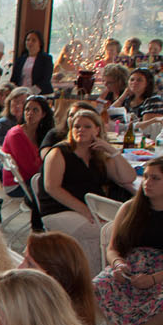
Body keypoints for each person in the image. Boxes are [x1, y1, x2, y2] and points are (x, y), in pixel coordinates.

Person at [38, 109, 137, 271]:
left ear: (97, 130)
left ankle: (102, 276)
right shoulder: (59, 152)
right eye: (76, 126)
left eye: (87, 127)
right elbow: (52, 187)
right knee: (109, 231)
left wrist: (111, 151)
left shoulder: (97, 156)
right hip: (59, 210)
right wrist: (86, 211)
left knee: (121, 228)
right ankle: (96, 277)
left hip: (92, 210)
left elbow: (128, 178)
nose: (80, 130)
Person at [95, 156, 163, 325]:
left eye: (155, 178)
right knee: (92, 288)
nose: (147, 182)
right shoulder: (129, 208)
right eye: (145, 177)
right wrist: (117, 265)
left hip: (161, 275)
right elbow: (113, 248)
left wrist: (154, 279)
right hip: (129, 269)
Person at [1, 95, 54, 188]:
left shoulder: (40, 132)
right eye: (27, 109)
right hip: (18, 183)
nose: (30, 113)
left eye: (35, 110)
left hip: (32, 177)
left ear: (43, 114)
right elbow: (30, 168)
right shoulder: (16, 134)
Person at [13, 30, 54, 95]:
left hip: (41, 93)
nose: (30, 42)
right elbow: (14, 78)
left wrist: (32, 92)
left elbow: (46, 79)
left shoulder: (46, 58)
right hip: (22, 93)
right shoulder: (20, 59)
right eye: (28, 40)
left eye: (33, 40)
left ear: (40, 43)